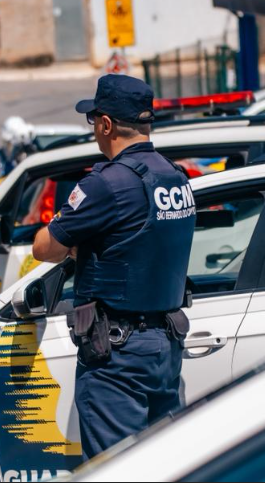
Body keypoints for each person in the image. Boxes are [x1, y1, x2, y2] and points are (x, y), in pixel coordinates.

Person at [32, 74, 196, 459]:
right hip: (165, 348)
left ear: (106, 125)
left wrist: (76, 248)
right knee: (163, 464)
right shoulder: (175, 177)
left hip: (118, 357)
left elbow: (44, 247)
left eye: (94, 122)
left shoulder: (107, 184)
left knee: (118, 468)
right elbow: (143, 242)